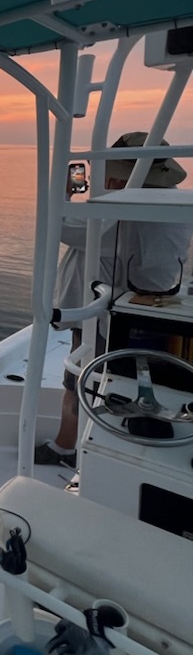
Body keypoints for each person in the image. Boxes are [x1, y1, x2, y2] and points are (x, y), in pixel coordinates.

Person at [36, 132, 193, 466]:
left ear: (124, 173)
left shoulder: (119, 210)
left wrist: (61, 193)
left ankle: (67, 448)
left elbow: (57, 226)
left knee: (79, 381)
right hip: (149, 310)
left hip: (102, 317)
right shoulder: (173, 203)